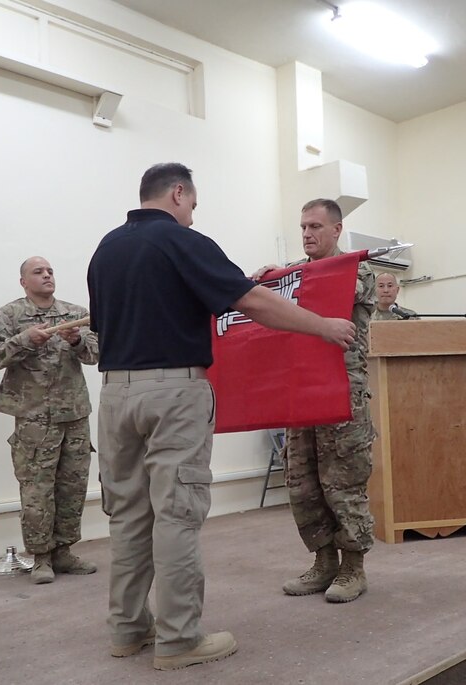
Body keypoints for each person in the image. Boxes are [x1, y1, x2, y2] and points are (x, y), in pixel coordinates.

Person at [87, 164, 356, 671]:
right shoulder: (183, 241)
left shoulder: (106, 250)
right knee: (177, 515)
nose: (192, 213)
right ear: (178, 192)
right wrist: (322, 326)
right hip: (172, 393)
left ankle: (127, 629)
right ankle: (179, 639)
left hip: (115, 396)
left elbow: (108, 325)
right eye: (191, 203)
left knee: (127, 516)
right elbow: (252, 302)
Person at [253, 199, 376, 604]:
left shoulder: (357, 270)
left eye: (315, 227)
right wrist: (264, 285)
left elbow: (326, 294)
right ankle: (324, 562)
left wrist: (284, 281)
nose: (307, 234)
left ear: (337, 230)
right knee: (303, 482)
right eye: (303, 227)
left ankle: (353, 567)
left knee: (343, 481)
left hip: (341, 391)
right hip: (301, 390)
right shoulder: (293, 275)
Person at [0, 256, 99, 584]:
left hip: (74, 415)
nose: (46, 276)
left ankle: (64, 552)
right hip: (34, 419)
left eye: (50, 271)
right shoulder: (10, 315)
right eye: (38, 272)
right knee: (36, 490)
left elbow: (99, 353)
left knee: (72, 487)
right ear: (23, 282)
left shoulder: (74, 314)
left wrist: (76, 341)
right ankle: (40, 556)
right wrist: (24, 340)